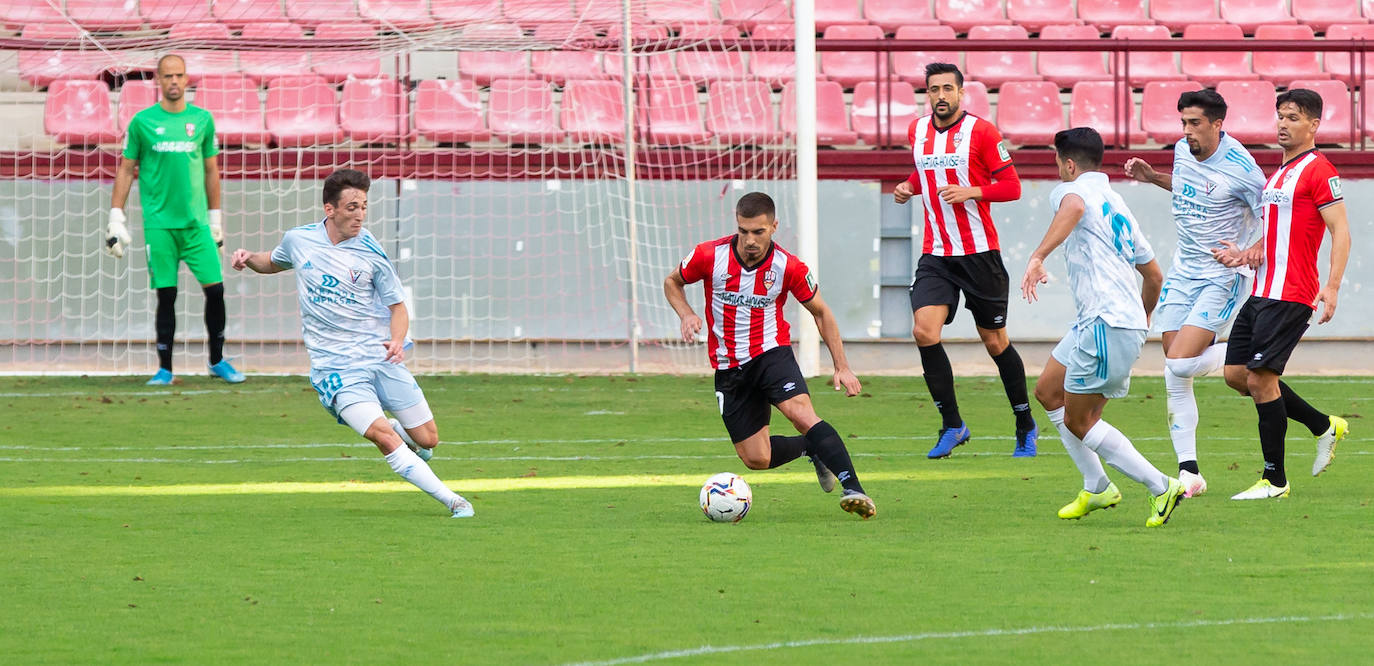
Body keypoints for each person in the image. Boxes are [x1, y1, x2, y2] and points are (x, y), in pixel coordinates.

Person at [230, 169, 473, 518]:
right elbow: (273, 261)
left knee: (428, 439)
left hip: (379, 357)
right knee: (382, 437)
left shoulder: (372, 252)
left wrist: (398, 340)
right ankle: (453, 500)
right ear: (330, 209)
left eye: (364, 207)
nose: (359, 214)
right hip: (335, 367)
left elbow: (398, 307)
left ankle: (400, 432)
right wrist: (248, 258)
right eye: (352, 207)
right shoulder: (300, 240)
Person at [664, 192, 876, 519]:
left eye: (758, 232)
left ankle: (854, 489)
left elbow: (821, 313)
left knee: (801, 413)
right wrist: (686, 314)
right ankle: (811, 448)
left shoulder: (788, 266)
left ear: (774, 227)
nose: (750, 240)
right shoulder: (709, 255)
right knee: (756, 459)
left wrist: (842, 367)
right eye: (743, 231)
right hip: (729, 367)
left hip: (770, 354)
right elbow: (673, 282)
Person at [1023, 127, 1185, 528]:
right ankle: (1097, 486)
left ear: (1070, 163)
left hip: (1105, 323)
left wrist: (1038, 256)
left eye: (1058, 162)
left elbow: (1074, 208)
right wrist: (1139, 320)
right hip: (1103, 322)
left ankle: (1161, 485)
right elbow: (1154, 276)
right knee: (1047, 391)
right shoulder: (1116, 202)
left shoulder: (1071, 191)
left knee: (1081, 421)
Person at [1123, 90, 1266, 497]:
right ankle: (1190, 472)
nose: (1186, 131)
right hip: (1183, 271)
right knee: (1174, 368)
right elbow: (1189, 190)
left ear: (1218, 124)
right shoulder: (1184, 152)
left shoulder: (1241, 167)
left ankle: (1254, 350)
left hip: (1220, 276)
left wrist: (1250, 250)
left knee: (1181, 364)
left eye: (1195, 124)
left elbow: (1274, 214)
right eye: (1183, 122)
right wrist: (1152, 178)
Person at [892, 62, 1037, 459]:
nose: (941, 96)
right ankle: (953, 425)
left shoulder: (983, 133)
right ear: (927, 94)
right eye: (933, 89)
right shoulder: (916, 131)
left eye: (947, 89)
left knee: (994, 341)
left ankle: (1025, 424)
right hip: (936, 253)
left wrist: (971, 191)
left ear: (961, 93)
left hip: (979, 254)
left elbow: (1012, 187)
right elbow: (925, 173)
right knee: (924, 331)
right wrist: (909, 186)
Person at [1213, 89, 1351, 500]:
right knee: (1237, 374)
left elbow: (1340, 230)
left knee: (1260, 378)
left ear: (1314, 125)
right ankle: (1323, 425)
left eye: (1293, 117)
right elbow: (1279, 231)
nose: (1283, 124)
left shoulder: (1319, 170)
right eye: (1280, 117)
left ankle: (1274, 479)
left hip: (1292, 293)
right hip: (1262, 290)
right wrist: (1248, 252)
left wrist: (1333, 285)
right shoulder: (1279, 172)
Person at [107, 54, 244, 386]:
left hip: (197, 225)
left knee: (216, 290)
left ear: (186, 80)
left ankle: (217, 361)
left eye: (179, 75)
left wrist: (215, 219)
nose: (173, 81)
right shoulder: (141, 122)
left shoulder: (202, 120)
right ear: (158, 80)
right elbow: (126, 168)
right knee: (166, 296)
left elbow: (211, 170)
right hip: (159, 224)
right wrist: (115, 217)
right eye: (167, 75)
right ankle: (165, 368)